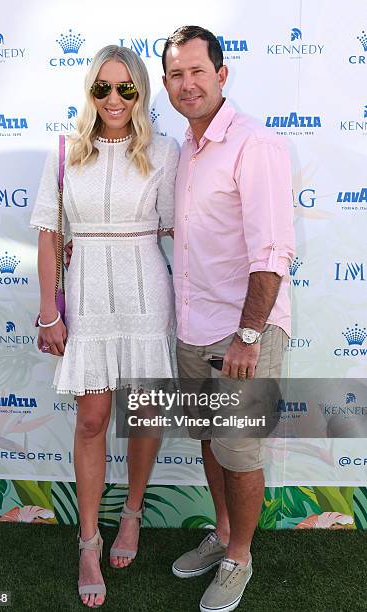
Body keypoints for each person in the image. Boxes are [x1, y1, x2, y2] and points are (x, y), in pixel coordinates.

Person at [30, 44, 179, 608]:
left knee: (142, 414)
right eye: (102, 88)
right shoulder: (66, 152)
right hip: (88, 296)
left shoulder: (162, 152)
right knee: (92, 418)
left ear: (141, 94)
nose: (113, 99)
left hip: (146, 293)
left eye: (126, 88)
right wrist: (50, 311)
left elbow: (175, 230)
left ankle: (133, 514)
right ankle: (88, 540)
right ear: (89, 93)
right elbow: (49, 233)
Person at [162, 26, 295, 612]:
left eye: (197, 71)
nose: (187, 84)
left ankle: (240, 556)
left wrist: (248, 335)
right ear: (166, 84)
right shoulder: (186, 149)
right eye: (175, 75)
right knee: (212, 443)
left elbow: (272, 252)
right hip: (193, 326)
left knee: (239, 452)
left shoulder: (253, 145)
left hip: (242, 331)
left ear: (222, 75)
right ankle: (221, 534)